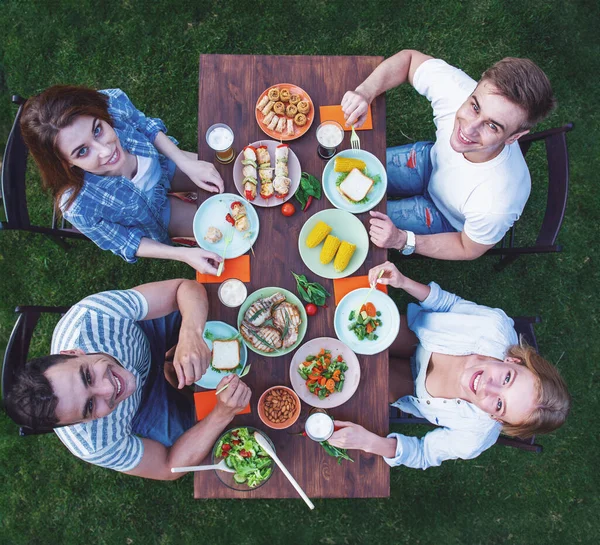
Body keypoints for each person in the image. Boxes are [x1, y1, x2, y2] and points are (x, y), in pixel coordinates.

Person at [328, 262, 570, 469]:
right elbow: (448, 305)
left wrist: (367, 442)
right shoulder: (494, 325)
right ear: (513, 361)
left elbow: (423, 453)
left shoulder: (474, 437)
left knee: (347, 376)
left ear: (497, 419)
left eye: (499, 404)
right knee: (342, 328)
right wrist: (403, 281)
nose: (488, 387)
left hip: (411, 387)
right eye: (507, 378)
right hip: (417, 336)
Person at [4, 279, 251, 480]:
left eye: (87, 376)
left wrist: (191, 333)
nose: (110, 388)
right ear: (79, 423)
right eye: (90, 407)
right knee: (223, 432)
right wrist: (221, 414)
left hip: (146, 336)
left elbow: (184, 288)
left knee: (217, 307)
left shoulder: (92, 316)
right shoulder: (94, 444)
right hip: (143, 409)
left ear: (73, 353)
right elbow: (168, 466)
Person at [341, 50, 556, 260]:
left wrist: (401, 240)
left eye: (492, 126)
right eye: (475, 107)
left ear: (514, 137)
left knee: (351, 222)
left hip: (443, 215)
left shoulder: (497, 204)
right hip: (428, 163)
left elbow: (467, 247)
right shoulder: (458, 91)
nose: (469, 129)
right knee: (342, 180)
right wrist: (364, 93)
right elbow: (409, 60)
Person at [20, 86, 224, 274]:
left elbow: (146, 127)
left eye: (97, 130)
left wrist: (184, 161)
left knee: (229, 174)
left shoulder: (110, 103)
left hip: (164, 163)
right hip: (156, 212)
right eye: (82, 151)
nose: (106, 150)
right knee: (223, 226)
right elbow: (127, 242)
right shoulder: (79, 206)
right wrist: (183, 255)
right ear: (65, 163)